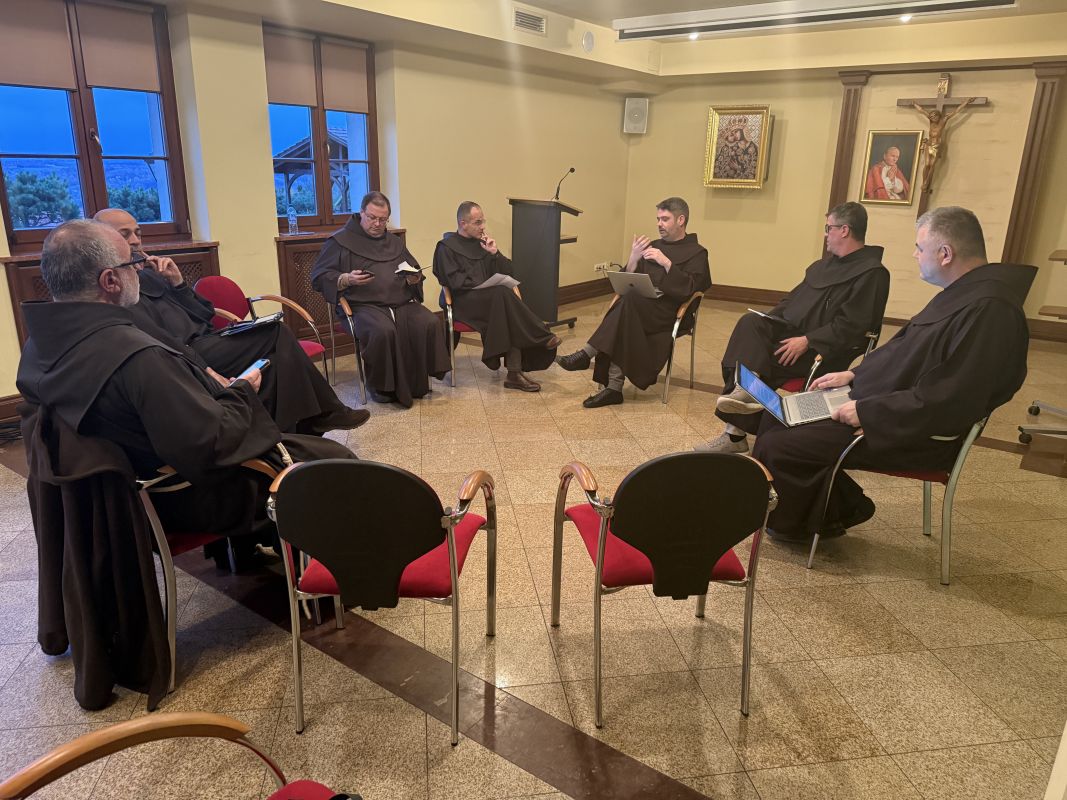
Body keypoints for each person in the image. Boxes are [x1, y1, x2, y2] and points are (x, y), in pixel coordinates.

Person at [17, 219, 359, 539]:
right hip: (182, 497)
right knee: (339, 464)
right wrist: (241, 392)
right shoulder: (136, 355)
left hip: (119, 500)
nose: (139, 266)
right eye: (130, 264)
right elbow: (213, 446)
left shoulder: (38, 346)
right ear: (110, 281)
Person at [750, 207, 1032, 543]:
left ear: (945, 254)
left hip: (914, 430)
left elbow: (954, 397)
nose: (914, 255)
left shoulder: (991, 310)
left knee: (781, 443)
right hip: (889, 406)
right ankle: (835, 507)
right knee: (775, 417)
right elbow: (902, 353)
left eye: (919, 247)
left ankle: (824, 516)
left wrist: (869, 411)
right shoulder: (965, 293)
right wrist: (853, 376)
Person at [93, 208, 368, 435]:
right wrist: (206, 369)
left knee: (276, 361)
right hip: (188, 356)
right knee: (276, 333)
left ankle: (293, 429)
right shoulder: (117, 289)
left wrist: (178, 283)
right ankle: (323, 414)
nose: (135, 241)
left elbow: (204, 314)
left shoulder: (154, 275)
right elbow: (158, 341)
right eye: (125, 234)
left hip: (210, 339)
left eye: (138, 233)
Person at [703, 202, 890, 453]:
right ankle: (745, 392)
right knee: (750, 327)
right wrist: (768, 320)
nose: (826, 234)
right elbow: (791, 301)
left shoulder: (872, 273)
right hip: (793, 338)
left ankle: (735, 433)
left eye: (829, 228)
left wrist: (807, 340)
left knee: (754, 358)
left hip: (824, 350)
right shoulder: (822, 267)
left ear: (845, 230)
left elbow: (853, 325)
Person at [556, 197, 711, 407]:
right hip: (640, 306)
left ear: (681, 220)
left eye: (665, 219)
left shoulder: (697, 253)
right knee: (628, 303)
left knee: (627, 304)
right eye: (658, 219)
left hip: (670, 312)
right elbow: (626, 282)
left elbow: (692, 288)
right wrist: (634, 257)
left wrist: (667, 263)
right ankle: (612, 388)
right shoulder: (653, 246)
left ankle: (588, 356)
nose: (659, 224)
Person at [310, 191, 450, 407]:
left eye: (383, 219)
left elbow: (412, 268)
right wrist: (346, 279)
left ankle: (416, 384)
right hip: (362, 306)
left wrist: (414, 278)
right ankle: (382, 387)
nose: (377, 224)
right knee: (382, 331)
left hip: (400, 303)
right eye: (372, 218)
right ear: (361, 213)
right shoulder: (340, 241)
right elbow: (319, 278)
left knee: (429, 322)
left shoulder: (394, 242)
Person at [432, 201, 561, 392]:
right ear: (463, 223)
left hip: (491, 300)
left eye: (483, 221)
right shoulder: (446, 247)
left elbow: (510, 272)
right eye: (477, 222)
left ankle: (514, 374)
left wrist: (495, 254)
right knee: (502, 295)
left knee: (504, 301)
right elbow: (453, 282)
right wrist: (482, 285)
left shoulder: (482, 245)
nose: (482, 226)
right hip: (463, 303)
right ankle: (541, 336)